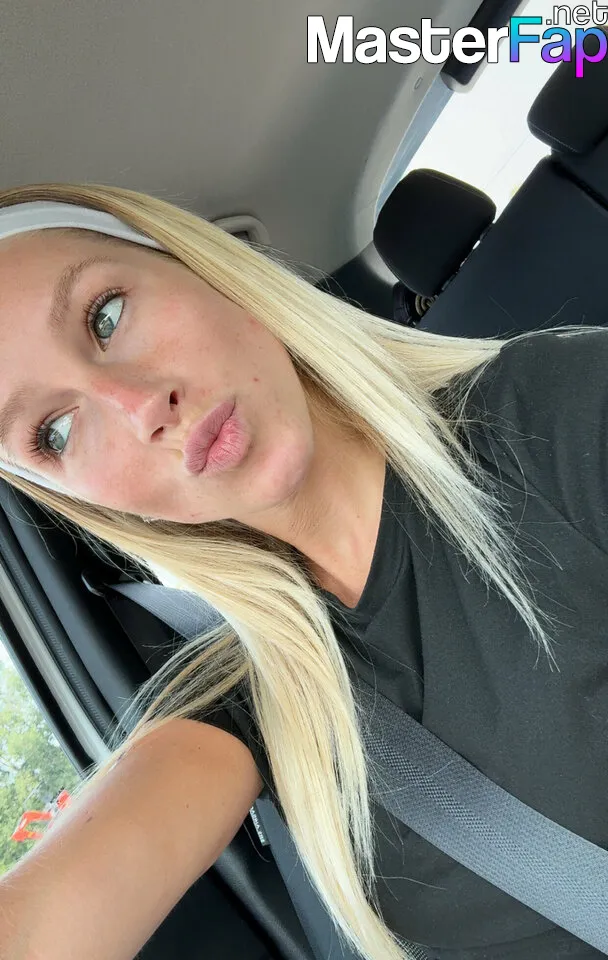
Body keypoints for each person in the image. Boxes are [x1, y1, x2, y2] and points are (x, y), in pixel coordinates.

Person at [0, 181, 606, 960]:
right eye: (54, 431)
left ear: (204, 268)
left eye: (106, 316)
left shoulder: (559, 415)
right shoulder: (244, 710)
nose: (138, 406)